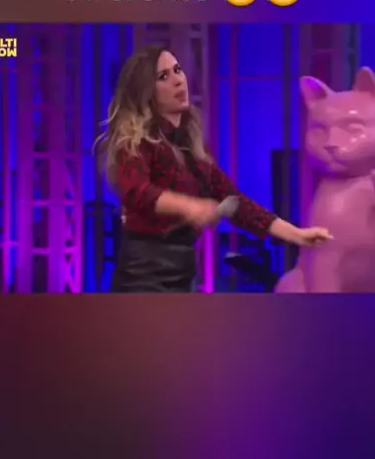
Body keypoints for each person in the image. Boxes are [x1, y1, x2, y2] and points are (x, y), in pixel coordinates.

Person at [94, 43, 332, 293]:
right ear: (146, 93)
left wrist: (297, 235)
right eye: (163, 76)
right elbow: (137, 191)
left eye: (177, 70)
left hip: (182, 275)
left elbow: (236, 202)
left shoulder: (192, 147)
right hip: (143, 278)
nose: (178, 81)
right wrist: (189, 206)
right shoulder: (136, 143)